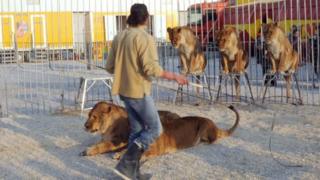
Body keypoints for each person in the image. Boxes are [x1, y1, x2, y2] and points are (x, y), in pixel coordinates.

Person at [105, 3, 188, 180]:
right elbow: (151, 69)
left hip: (123, 91)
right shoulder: (145, 38)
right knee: (155, 129)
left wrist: (126, 66)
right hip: (138, 91)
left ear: (130, 17)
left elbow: (110, 67)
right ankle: (125, 165)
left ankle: (133, 173)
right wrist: (174, 76)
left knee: (136, 129)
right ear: (146, 18)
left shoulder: (119, 36)